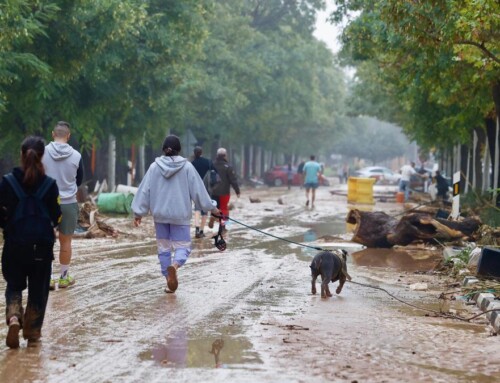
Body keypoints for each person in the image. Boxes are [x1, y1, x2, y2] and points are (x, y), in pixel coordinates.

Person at [131, 135, 220, 294]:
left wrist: (138, 212)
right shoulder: (187, 167)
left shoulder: (153, 167)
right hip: (180, 215)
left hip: (160, 216)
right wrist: (212, 208)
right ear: (179, 149)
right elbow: (198, 191)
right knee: (183, 247)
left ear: (163, 150)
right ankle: (176, 265)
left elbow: (144, 191)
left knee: (164, 248)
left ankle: (168, 280)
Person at [0, 136, 61, 348]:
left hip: (15, 245)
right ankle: (33, 330)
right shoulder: (50, 185)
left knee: (14, 285)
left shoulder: (7, 182)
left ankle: (15, 317)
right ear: (42, 156)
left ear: (21, 154)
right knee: (38, 288)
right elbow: (56, 216)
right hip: (41, 248)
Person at [42, 121, 83, 290]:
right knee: (65, 241)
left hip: (46, 203)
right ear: (68, 136)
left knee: (46, 241)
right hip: (68, 203)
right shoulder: (77, 156)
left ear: (53, 134)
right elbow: (79, 180)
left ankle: (48, 279)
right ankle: (64, 277)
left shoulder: (42, 153)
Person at [207, 148, 240, 233]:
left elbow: (207, 178)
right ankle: (223, 227)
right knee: (224, 208)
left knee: (215, 208)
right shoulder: (228, 167)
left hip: (213, 192)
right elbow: (233, 180)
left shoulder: (212, 165)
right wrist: (237, 191)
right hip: (224, 192)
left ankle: (213, 216)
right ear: (225, 156)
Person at [191, 146, 212, 238]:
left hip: (195, 189)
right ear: (202, 152)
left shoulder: (192, 164)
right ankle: (202, 231)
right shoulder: (207, 162)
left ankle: (196, 230)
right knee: (205, 210)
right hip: (206, 189)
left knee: (197, 209)